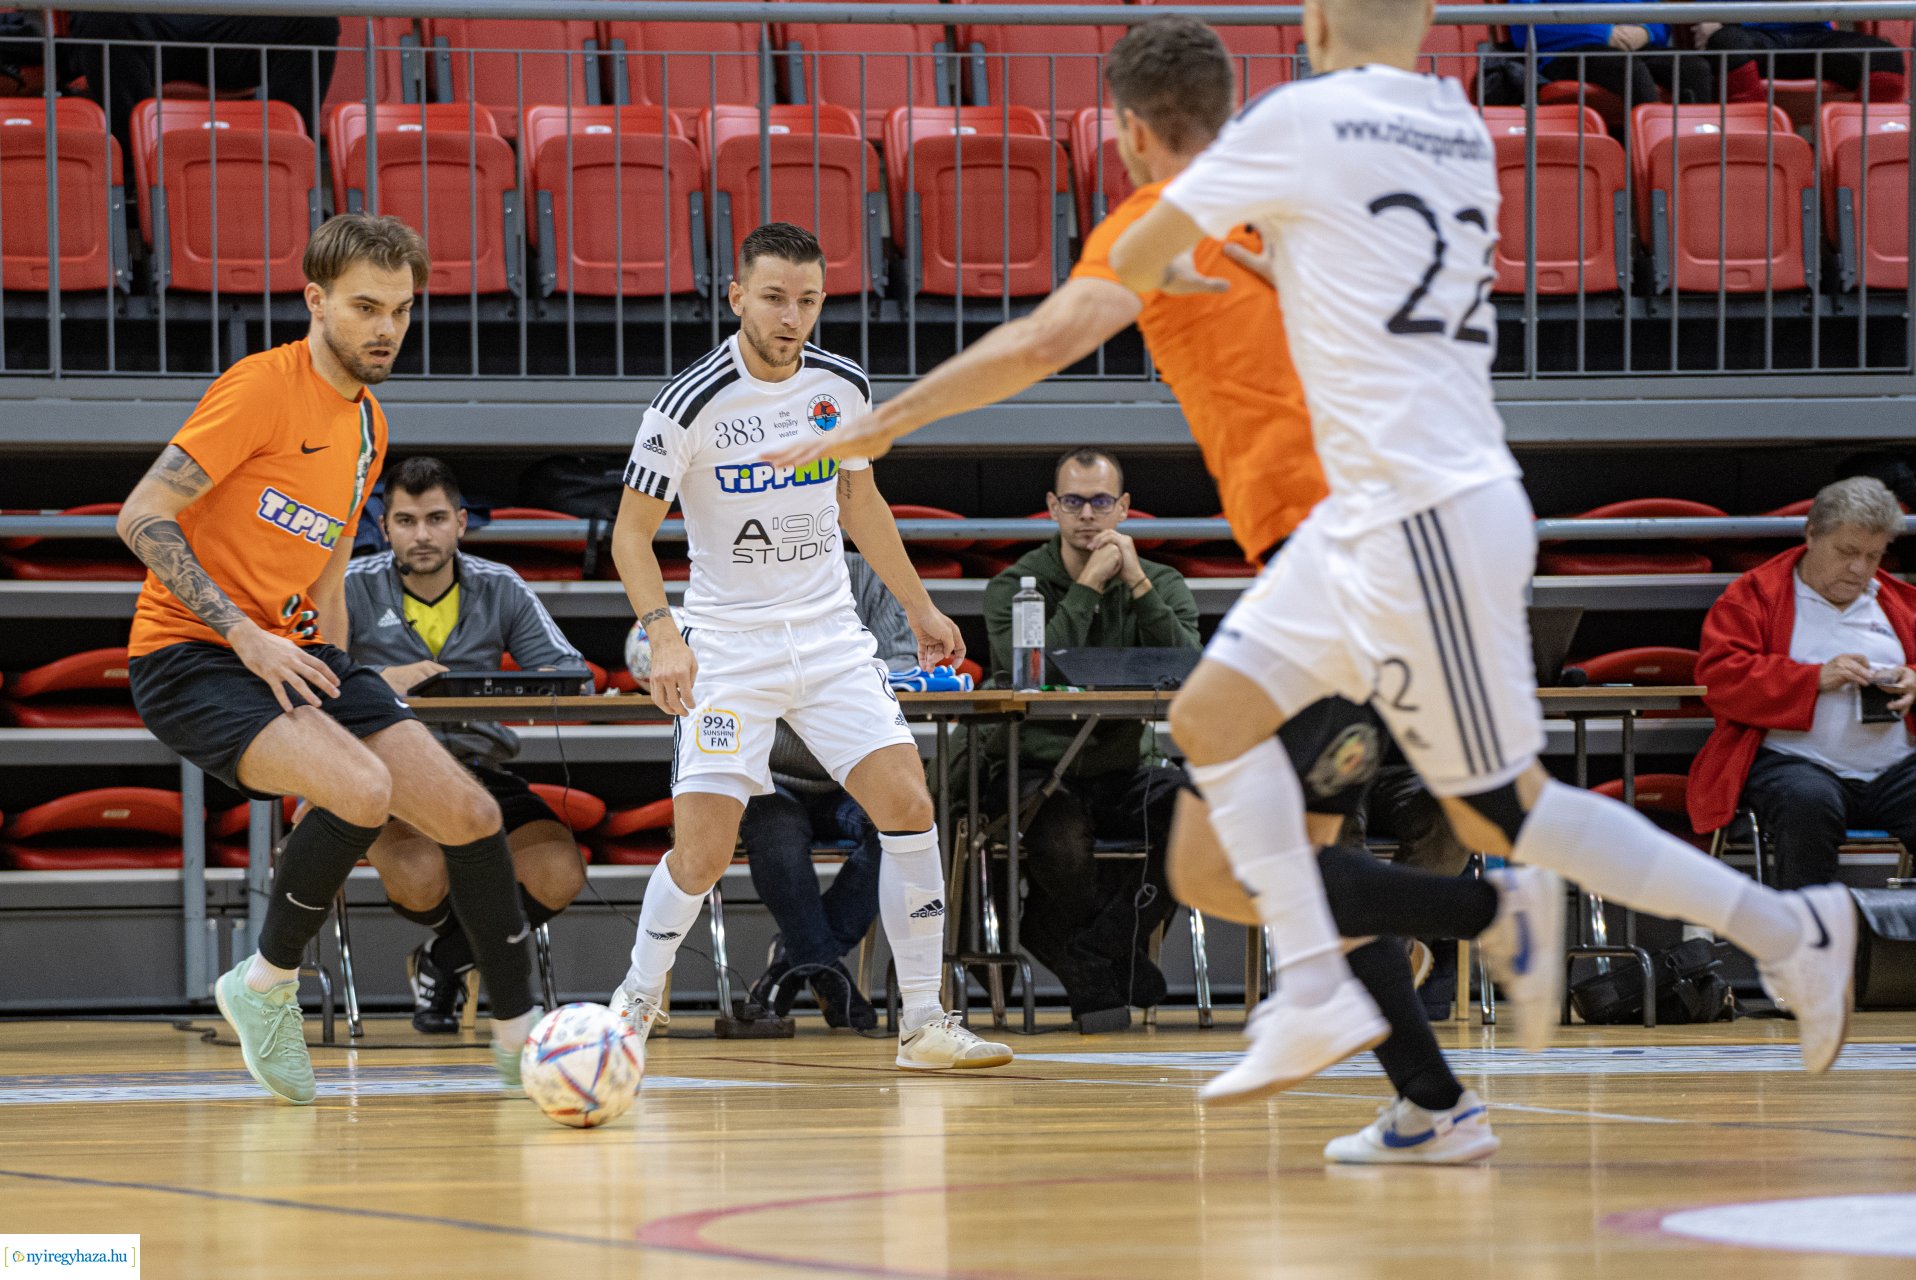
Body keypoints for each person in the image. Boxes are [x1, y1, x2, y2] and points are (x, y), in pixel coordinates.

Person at [768, 16, 1549, 1162]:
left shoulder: (1176, 218)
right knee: (1295, 853)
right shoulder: (1297, 201)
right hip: (1395, 541)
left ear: (1127, 130)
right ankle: (1432, 1089)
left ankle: (1493, 919)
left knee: (1236, 857)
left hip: (1353, 558)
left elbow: (1039, 342)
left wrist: (881, 425)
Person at [1100, 0, 1855, 1101]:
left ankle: (1788, 926)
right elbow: (1354, 283)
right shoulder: (1459, 122)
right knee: (1208, 718)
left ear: (1311, 20)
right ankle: (1318, 984)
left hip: (1421, 514)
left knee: (1509, 809)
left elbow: (1142, 241)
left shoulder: (1299, 119)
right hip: (1376, 511)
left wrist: (1179, 273)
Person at [116, 214, 539, 1104]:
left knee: (467, 811)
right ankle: (263, 986)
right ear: (316, 300)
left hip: (300, 651)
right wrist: (244, 632)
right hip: (193, 654)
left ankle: (520, 1035)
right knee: (361, 791)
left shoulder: (371, 424)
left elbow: (329, 568)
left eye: (402, 309)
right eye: (365, 307)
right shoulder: (259, 389)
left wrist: (345, 680)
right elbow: (142, 515)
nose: (386, 328)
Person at [607, 220, 1011, 1074]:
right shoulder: (687, 404)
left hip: (831, 641)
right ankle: (633, 1007)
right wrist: (665, 637)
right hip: (729, 652)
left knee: (909, 805)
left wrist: (922, 606)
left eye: (809, 300)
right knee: (705, 851)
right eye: (774, 298)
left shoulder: (842, 385)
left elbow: (862, 503)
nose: (792, 316)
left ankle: (926, 1024)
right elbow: (630, 537)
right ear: (736, 297)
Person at [344, 456, 589, 1034]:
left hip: (481, 768)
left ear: (460, 523)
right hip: (387, 777)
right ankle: (465, 959)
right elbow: (311, 677)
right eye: (405, 521)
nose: (422, 535)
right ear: (385, 527)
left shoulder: (500, 585)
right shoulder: (350, 588)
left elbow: (569, 671)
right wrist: (381, 683)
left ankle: (444, 961)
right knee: (423, 873)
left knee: (560, 871)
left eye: (434, 519)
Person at [976, 447, 1200, 1032]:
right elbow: (1033, 673)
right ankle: (1110, 962)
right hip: (1035, 766)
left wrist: (1139, 586)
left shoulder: (1163, 583)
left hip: (1125, 763)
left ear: (1123, 509)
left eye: (1101, 501)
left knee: (1197, 813)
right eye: (1073, 501)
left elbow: (1189, 668)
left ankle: (1088, 945)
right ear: (1052, 507)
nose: (1088, 515)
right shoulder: (1014, 585)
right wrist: (1089, 590)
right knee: (1062, 842)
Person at [1690, 476, 1916, 889]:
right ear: (1812, 534)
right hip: (1793, 765)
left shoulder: (1902, 603)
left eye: (1873, 555)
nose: (1859, 569)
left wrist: (1915, 678)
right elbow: (1720, 679)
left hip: (1895, 769)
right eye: (1847, 552)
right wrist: (1813, 678)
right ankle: (1807, 943)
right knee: (1808, 801)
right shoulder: (1753, 596)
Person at [740, 550, 917, 1032]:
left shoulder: (866, 572)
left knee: (900, 830)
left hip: (853, 766)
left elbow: (903, 661)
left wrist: (824, 679)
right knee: (776, 833)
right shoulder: (742, 571)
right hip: (769, 771)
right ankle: (823, 968)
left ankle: (797, 960)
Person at [64, 11, 340, 149]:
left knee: (315, 22)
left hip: (227, 22)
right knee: (104, 17)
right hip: (145, 22)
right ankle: (132, 172)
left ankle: (288, 161)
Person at [1508, 0, 1712, 110]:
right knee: (1629, 69)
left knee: (1693, 68)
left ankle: (1700, 157)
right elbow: (1523, 28)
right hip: (1566, 52)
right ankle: (1653, 163)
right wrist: (1604, 33)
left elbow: (1657, 13)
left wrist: (1646, 31)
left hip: (1630, 46)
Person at [1695, 10, 1904, 103]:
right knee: (1726, 43)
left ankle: (1852, 149)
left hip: (1815, 36)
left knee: (1884, 58)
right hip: (1750, 37)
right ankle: (1757, 137)